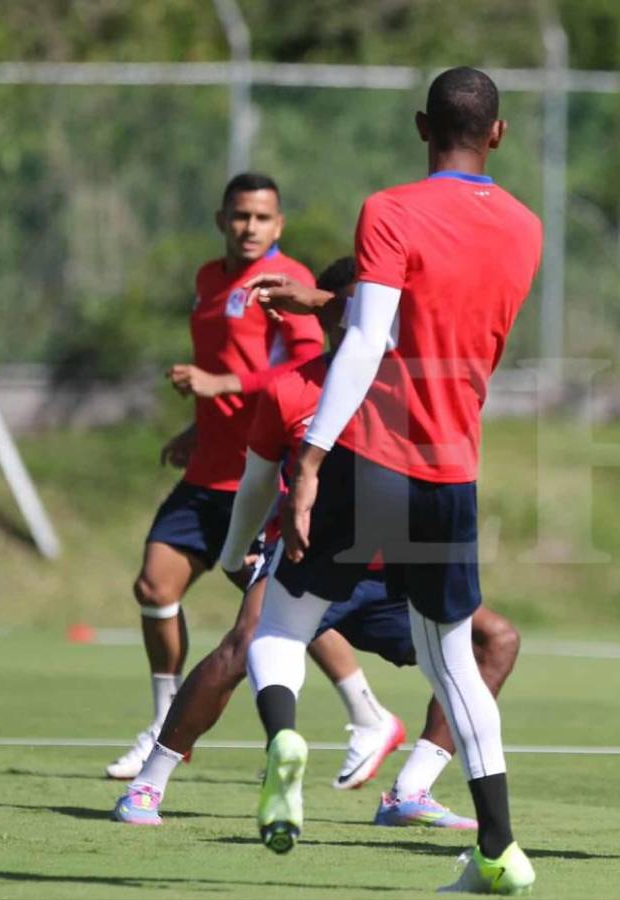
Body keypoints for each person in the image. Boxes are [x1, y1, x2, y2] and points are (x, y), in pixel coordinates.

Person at [243, 67, 541, 893]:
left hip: (372, 458)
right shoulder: (526, 227)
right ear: (499, 133)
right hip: (453, 472)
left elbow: (370, 338)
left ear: (422, 127)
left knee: (279, 626)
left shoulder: (391, 209)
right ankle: (500, 850)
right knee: (455, 665)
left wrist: (309, 458)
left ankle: (284, 741)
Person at [112, 258, 522, 828]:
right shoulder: (291, 389)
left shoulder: (420, 388)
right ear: (333, 314)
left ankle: (412, 788)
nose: (377, 316)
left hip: (395, 576)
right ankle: (148, 787)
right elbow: (256, 484)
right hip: (307, 565)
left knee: (496, 640)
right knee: (243, 644)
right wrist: (239, 552)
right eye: (357, 304)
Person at [106, 174, 327, 780]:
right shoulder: (209, 279)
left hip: (260, 475)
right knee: (155, 587)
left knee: (283, 612)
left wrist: (222, 387)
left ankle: (367, 713)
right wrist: (199, 428)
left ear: (278, 226)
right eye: (239, 216)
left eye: (261, 218)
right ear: (220, 219)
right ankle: (159, 722)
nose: (249, 227)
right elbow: (224, 368)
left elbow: (309, 367)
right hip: (209, 469)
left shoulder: (290, 283)